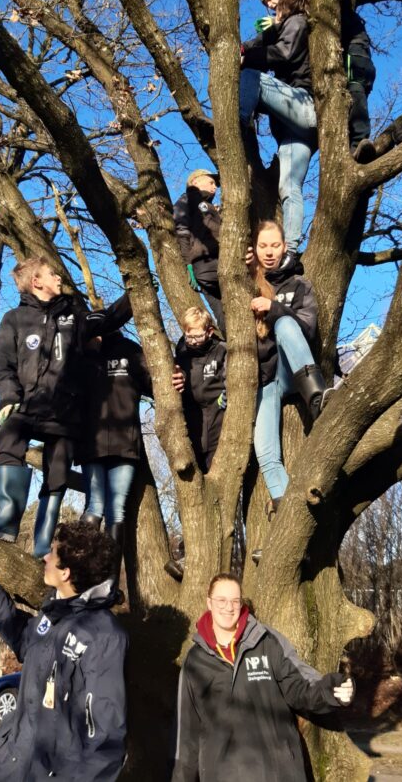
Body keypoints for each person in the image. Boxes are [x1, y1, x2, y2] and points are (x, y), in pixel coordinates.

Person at [0, 256, 132, 557]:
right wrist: (8, 397)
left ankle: (43, 539)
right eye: (52, 274)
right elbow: (2, 362)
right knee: (9, 439)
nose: (59, 278)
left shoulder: (74, 315)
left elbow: (107, 318)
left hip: (65, 412)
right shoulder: (14, 319)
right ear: (37, 282)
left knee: (57, 471)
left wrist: (134, 294)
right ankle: (7, 518)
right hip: (25, 405)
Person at [0, 521, 127, 782]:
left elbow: (104, 736)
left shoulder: (103, 635)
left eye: (52, 553)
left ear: (66, 572)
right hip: (13, 768)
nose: (44, 556)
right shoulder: (55, 614)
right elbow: (26, 641)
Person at [171, 572, 355, 782]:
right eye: (221, 600)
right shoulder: (195, 660)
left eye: (235, 601)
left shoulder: (266, 641)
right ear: (209, 603)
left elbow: (300, 687)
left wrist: (331, 690)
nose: (228, 607)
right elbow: (186, 734)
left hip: (278, 773)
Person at [248, 220, 329, 547]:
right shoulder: (247, 284)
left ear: (284, 247)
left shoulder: (299, 284)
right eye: (263, 246)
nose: (269, 252)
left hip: (294, 368)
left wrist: (274, 307)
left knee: (284, 324)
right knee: (264, 448)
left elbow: (306, 329)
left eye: (274, 246)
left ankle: (317, 396)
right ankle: (285, 514)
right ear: (255, 248)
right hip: (266, 379)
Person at [277, 0, 376, 162]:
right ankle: (350, 153)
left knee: (354, 87)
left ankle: (359, 141)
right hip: (328, 51)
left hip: (350, 42)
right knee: (338, 98)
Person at [240, 0, 317, 258]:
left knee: (252, 75)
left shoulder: (296, 20)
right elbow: (264, 42)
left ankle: (239, 120)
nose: (274, 13)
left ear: (286, 6)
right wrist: (246, 47)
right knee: (289, 187)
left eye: (276, 9)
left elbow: (282, 53)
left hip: (303, 104)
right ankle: (292, 251)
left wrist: (244, 58)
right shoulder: (287, 26)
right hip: (298, 131)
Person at [77, 330, 152, 589]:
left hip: (124, 443)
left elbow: (155, 383)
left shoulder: (130, 350)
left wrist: (176, 377)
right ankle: (80, 575)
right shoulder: (84, 354)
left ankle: (109, 582)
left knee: (115, 510)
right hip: (91, 442)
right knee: (94, 506)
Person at [167, 308, 227, 580]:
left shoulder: (222, 351)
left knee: (217, 491)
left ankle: (217, 553)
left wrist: (226, 395)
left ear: (209, 331)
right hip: (191, 423)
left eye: (196, 336)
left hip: (217, 423)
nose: (191, 341)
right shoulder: (181, 356)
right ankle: (188, 549)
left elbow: (234, 380)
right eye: (187, 336)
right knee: (189, 489)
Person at [173, 169, 225, 335]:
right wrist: (188, 263)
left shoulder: (208, 206)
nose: (215, 187)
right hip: (207, 262)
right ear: (195, 182)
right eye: (210, 182)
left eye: (215, 184)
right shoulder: (190, 199)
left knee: (222, 313)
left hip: (208, 265)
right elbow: (182, 231)